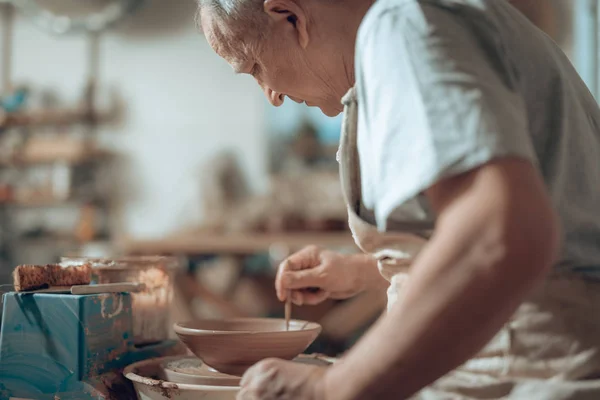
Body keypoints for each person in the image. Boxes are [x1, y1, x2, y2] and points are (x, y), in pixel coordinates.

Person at [196, 0, 600, 398]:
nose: (271, 95)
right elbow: (540, 233)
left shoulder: (403, 26)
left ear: (290, 16)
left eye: (254, 66)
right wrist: (364, 271)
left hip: (532, 372)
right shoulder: (428, 27)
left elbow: (501, 235)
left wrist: (332, 388)